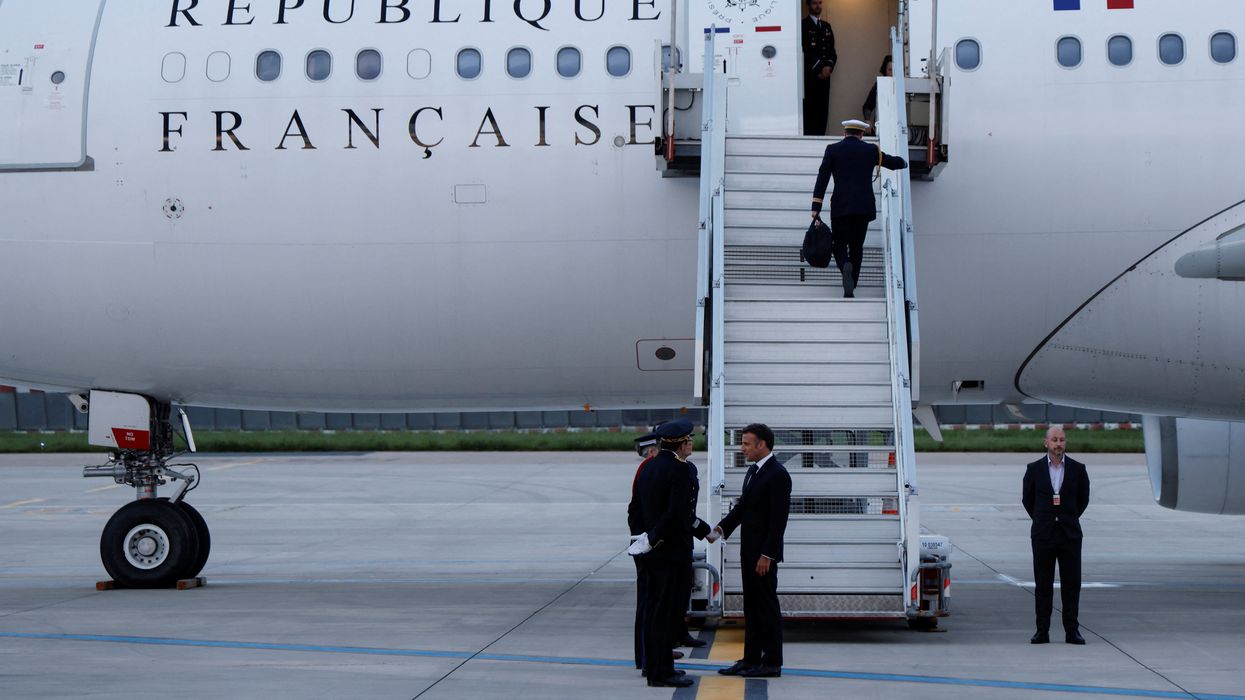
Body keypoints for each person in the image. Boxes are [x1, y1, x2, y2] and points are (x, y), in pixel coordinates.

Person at [707, 423, 791, 678]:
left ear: (762, 444)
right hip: (749, 553)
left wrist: (768, 555)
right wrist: (720, 529)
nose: (741, 448)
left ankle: (772, 662)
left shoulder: (778, 474)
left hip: (763, 556)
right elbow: (744, 508)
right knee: (752, 608)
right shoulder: (754, 472)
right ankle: (751, 658)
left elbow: (778, 521)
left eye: (746, 443)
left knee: (766, 608)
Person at [628, 420, 697, 688]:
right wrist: (655, 539)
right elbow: (675, 514)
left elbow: (634, 509)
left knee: (655, 612)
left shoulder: (649, 467)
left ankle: (657, 667)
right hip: (671, 552)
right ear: (680, 443)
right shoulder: (679, 470)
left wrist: (641, 540)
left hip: (650, 553)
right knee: (666, 614)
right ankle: (661, 673)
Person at [810, 119, 908, 298]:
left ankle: (844, 266)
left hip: (841, 207)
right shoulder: (870, 150)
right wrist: (904, 162)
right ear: (862, 134)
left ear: (845, 133)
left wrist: (816, 205)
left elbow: (822, 177)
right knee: (857, 247)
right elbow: (892, 162)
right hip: (863, 208)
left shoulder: (832, 150)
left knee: (839, 245)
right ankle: (852, 284)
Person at [1022, 426, 1090, 645]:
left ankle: (1072, 631)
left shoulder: (1078, 469)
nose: (1058, 444)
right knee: (1043, 584)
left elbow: (1083, 499)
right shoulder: (1034, 469)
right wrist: (1044, 519)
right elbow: (1027, 500)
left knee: (1072, 584)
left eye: (1061, 440)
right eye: (1054, 440)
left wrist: (1067, 517)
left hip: (1069, 535)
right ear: (1046, 443)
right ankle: (1042, 630)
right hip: (1043, 534)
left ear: (1065, 443)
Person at [626, 430, 660, 671]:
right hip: (646, 543)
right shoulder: (649, 469)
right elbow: (638, 510)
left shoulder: (652, 468)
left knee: (653, 601)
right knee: (648, 602)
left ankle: (653, 652)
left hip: (646, 541)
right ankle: (646, 656)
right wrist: (644, 541)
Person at [801, 0, 836, 136]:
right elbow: (804, 51)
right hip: (810, 77)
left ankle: (821, 138)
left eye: (820, 3)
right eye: (814, 3)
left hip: (825, 77)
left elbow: (832, 52)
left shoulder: (826, 26)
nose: (818, 6)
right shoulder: (803, 25)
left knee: (823, 110)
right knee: (810, 110)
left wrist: (828, 66)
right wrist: (819, 68)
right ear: (808, 5)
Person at [861, 55, 894, 126]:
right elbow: (867, 107)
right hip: (881, 127)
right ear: (885, 70)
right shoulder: (879, 85)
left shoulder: (902, 85)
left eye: (895, 70)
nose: (892, 73)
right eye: (890, 70)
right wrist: (867, 121)